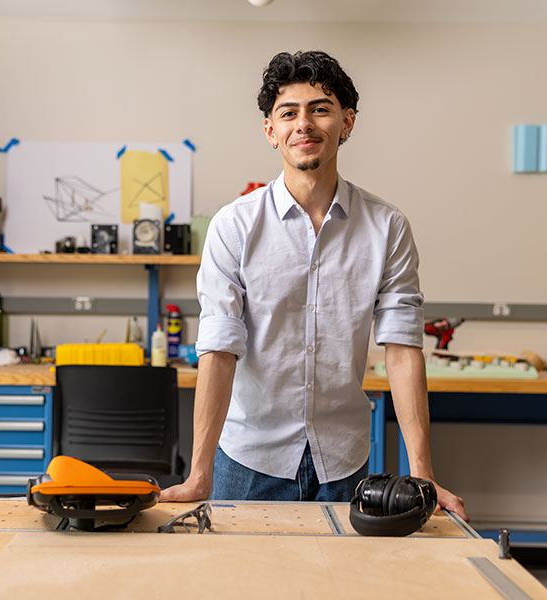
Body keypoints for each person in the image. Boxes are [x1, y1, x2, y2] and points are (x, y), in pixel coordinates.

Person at [160, 50, 467, 520]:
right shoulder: (234, 226)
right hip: (248, 461)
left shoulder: (387, 227)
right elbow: (219, 349)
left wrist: (422, 474)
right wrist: (200, 473)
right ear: (271, 131)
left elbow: (403, 348)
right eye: (289, 113)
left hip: (344, 462)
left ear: (347, 123)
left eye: (320, 108)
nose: (304, 124)